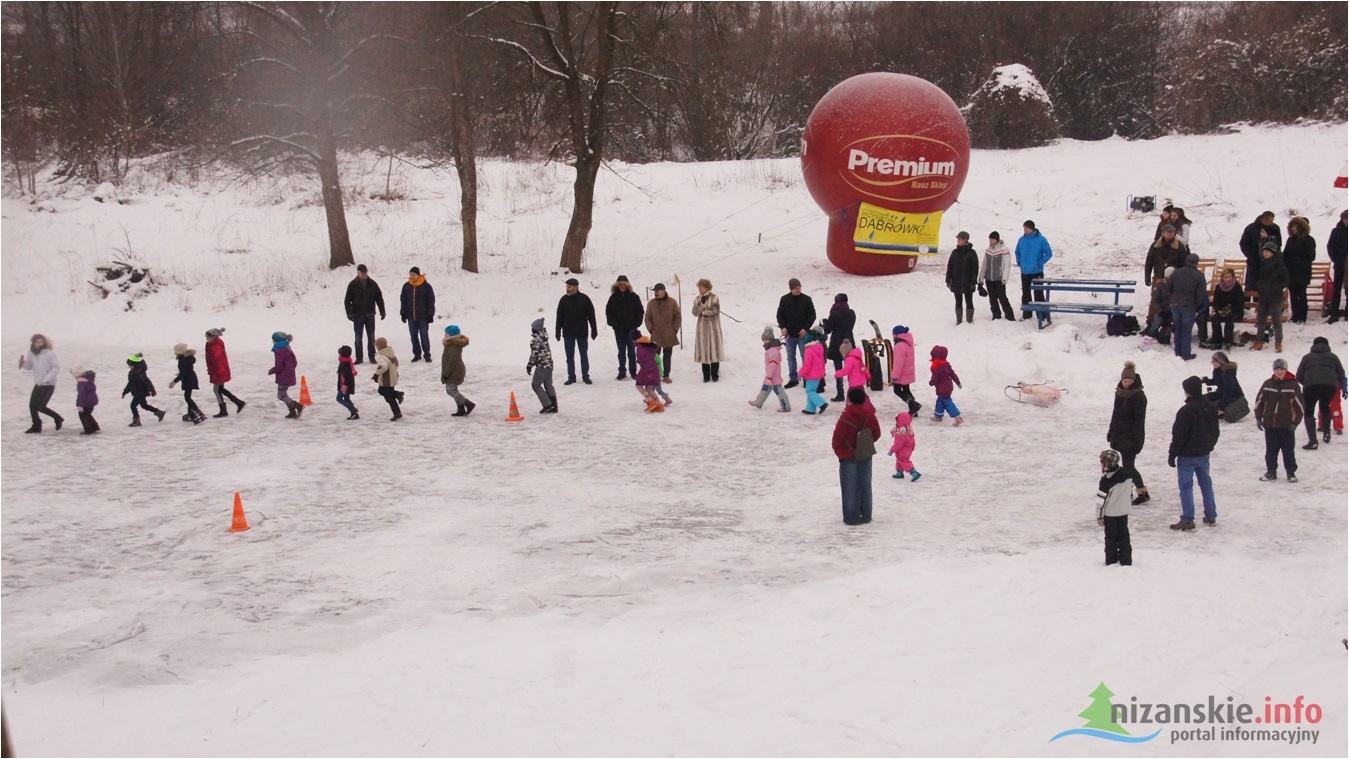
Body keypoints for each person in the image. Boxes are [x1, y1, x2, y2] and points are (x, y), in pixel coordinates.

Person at [1167, 376, 1220, 529]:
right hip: (1203, 453)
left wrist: (1172, 454)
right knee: (1206, 484)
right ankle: (1211, 515)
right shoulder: (1210, 407)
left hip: (1187, 456)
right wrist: (1209, 445)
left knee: (1186, 487)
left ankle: (1188, 518)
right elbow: (1215, 431)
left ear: (1187, 391)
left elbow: (1178, 436)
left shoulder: (1185, 411)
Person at [832, 387, 881, 526]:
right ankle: (866, 515)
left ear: (849, 400)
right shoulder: (870, 416)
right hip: (865, 454)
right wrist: (864, 443)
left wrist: (841, 452)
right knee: (865, 485)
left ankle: (851, 517)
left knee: (849, 487)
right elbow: (876, 434)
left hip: (848, 457)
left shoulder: (846, 417)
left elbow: (837, 439)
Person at [1254, 358, 1304, 482]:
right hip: (1270, 424)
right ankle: (1271, 471)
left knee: (1288, 450)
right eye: (1277, 369)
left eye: (1281, 369)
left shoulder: (1293, 385)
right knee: (1271, 449)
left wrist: (1295, 422)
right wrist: (1259, 418)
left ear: (1286, 370)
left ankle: (1290, 472)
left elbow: (1300, 406)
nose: (1279, 371)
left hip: (1286, 425)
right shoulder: (1268, 384)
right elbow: (1259, 402)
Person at [1107, 361, 1150, 505]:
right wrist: (1111, 431)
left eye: (1129, 381)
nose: (1126, 384)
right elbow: (1115, 414)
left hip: (1132, 438)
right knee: (1126, 466)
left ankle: (1142, 493)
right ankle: (1128, 492)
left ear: (1134, 380)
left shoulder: (1139, 397)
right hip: (1120, 435)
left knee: (1129, 466)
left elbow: (1139, 421)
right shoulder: (1119, 394)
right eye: (1124, 381)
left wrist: (1133, 438)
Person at [1295, 335, 1346, 449]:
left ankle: (1313, 441)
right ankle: (1326, 433)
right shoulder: (1333, 357)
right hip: (1330, 386)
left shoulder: (1307, 357)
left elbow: (1298, 376)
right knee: (1325, 406)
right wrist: (1342, 387)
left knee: (1308, 412)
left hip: (1310, 386)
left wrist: (1306, 383)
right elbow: (1341, 374)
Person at [1165, 252, 1207, 360]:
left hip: (1174, 304)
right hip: (1189, 305)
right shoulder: (1199, 275)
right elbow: (1202, 293)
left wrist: (1172, 299)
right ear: (1197, 263)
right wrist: (1196, 304)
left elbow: (1168, 287)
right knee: (1186, 330)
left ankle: (1178, 352)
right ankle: (1186, 354)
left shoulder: (1176, 272)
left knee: (1178, 328)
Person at [775, 277, 816, 388]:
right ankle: (793, 378)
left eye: (799, 287)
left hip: (803, 334)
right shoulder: (784, 299)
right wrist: (783, 327)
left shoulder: (806, 299)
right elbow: (780, 315)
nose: (798, 290)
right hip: (790, 335)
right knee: (791, 358)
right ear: (791, 289)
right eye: (796, 288)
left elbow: (812, 315)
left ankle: (806, 378)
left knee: (805, 357)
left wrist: (806, 328)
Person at [556, 277, 597, 385]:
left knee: (583, 355)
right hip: (568, 332)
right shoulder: (563, 300)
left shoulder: (584, 299)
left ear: (576, 287)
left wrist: (594, 329)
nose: (567, 289)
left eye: (569, 287)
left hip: (581, 332)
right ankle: (571, 376)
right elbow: (559, 317)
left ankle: (585, 376)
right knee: (569, 356)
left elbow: (591, 315)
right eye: (567, 287)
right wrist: (558, 331)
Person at [1250, 240, 1290, 352]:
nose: (1265, 253)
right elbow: (1256, 276)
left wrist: (1276, 287)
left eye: (1268, 251)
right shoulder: (1261, 262)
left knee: (1276, 320)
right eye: (1264, 251)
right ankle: (1259, 341)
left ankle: (1278, 342)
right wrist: (1258, 285)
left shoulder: (1279, 263)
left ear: (1273, 253)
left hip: (1275, 297)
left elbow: (1286, 279)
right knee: (1261, 320)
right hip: (1263, 295)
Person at [19, 333, 63, 433]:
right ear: (33, 342)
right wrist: (22, 363)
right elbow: (29, 366)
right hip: (38, 383)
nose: (40, 343)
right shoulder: (31, 353)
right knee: (32, 406)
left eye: (41, 341)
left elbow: (55, 368)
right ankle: (36, 426)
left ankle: (58, 418)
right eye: (38, 342)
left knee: (41, 406)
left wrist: (47, 378)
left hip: (48, 384)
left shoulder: (49, 354)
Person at [1096, 450, 1134, 567]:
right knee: (1124, 536)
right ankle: (1126, 559)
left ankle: (1111, 559)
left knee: (1111, 538)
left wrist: (1099, 516)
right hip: (1123, 512)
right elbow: (1130, 494)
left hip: (1110, 514)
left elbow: (1101, 501)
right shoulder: (1127, 475)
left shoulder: (1106, 481)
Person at [344, 264, 386, 364]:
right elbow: (347, 301)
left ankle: (372, 356)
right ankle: (359, 357)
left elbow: (379, 298)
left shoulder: (372, 284)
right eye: (362, 272)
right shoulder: (353, 285)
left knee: (371, 337)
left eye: (365, 272)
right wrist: (349, 313)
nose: (364, 274)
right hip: (358, 315)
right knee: (358, 338)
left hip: (370, 315)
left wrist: (382, 311)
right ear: (358, 272)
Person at [605, 275, 644, 380]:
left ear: (627, 286)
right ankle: (622, 371)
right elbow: (608, 312)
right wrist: (612, 323)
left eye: (624, 285)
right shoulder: (613, 298)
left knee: (631, 351)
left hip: (631, 329)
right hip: (618, 329)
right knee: (621, 351)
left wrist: (636, 324)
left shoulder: (634, 297)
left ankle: (633, 371)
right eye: (620, 285)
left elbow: (640, 311)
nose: (622, 287)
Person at [1015, 219, 1053, 321]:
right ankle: (1026, 314)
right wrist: (1020, 262)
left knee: (1038, 294)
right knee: (1026, 293)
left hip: (1037, 271)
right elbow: (1017, 252)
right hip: (1025, 271)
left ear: (1032, 228)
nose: (1025, 230)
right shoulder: (1021, 240)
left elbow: (1049, 253)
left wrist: (1040, 263)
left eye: (1027, 228)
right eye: (1024, 228)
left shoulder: (1041, 239)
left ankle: (1042, 315)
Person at [644, 282, 681, 384]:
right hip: (656, 334)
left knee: (667, 356)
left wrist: (674, 329)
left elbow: (678, 316)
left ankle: (666, 375)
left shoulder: (672, 302)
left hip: (669, 333)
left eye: (658, 291)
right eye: (655, 291)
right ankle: (655, 375)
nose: (656, 293)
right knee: (655, 356)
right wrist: (651, 329)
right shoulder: (651, 303)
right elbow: (647, 318)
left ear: (663, 291)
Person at [822, 293, 856, 401]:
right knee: (851, 369)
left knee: (838, 369)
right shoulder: (851, 313)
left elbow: (828, 330)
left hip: (837, 344)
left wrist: (825, 322)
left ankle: (840, 393)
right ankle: (853, 392)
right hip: (849, 342)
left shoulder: (834, 313)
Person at [204, 328, 245, 418]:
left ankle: (224, 410)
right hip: (217, 371)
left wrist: (217, 372)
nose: (206, 339)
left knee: (216, 390)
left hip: (219, 372)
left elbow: (219, 362)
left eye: (208, 337)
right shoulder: (213, 343)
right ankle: (238, 402)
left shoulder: (215, 347)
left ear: (213, 337)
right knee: (220, 389)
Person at [1283, 216, 1316, 324]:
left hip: (1302, 272)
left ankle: (1302, 316)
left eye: (1295, 226)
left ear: (1301, 227)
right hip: (1291, 272)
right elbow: (1286, 254)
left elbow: (1310, 257)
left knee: (1301, 294)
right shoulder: (1290, 240)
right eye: (1291, 226)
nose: (1293, 228)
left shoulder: (1309, 240)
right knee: (1292, 294)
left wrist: (1298, 263)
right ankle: (1295, 315)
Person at [749, 326, 791, 412]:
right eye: (763, 340)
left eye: (766, 339)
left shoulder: (772, 350)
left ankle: (785, 406)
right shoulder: (770, 349)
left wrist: (769, 376)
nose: (764, 342)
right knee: (765, 388)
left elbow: (773, 364)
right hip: (770, 374)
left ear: (770, 339)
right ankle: (759, 402)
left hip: (773, 375)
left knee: (778, 389)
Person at [691, 278, 724, 382]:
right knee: (704, 350)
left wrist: (704, 313)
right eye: (699, 288)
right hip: (702, 329)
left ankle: (715, 375)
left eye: (701, 287)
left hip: (713, 327)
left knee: (714, 349)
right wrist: (701, 305)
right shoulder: (697, 299)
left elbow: (715, 311)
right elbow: (695, 313)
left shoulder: (714, 298)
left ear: (707, 287)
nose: (699, 289)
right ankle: (705, 376)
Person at [1202, 268, 1244, 350]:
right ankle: (1217, 340)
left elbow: (1240, 303)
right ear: (1222, 277)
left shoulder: (1237, 287)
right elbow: (1216, 302)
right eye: (1226, 277)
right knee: (1215, 318)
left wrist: (1229, 310)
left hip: (1235, 310)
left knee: (1229, 319)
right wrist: (1218, 310)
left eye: (1229, 277)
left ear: (1233, 277)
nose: (1228, 279)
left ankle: (1228, 340)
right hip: (1222, 310)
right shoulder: (1219, 287)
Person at [399, 267, 435, 362]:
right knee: (413, 336)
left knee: (424, 335)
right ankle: (417, 354)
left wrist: (430, 314)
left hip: (423, 316)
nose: (412, 276)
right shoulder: (406, 286)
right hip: (411, 316)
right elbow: (403, 300)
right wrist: (403, 313)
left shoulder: (426, 286)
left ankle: (427, 354)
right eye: (410, 274)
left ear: (418, 275)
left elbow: (431, 301)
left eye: (413, 274)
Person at [1239, 211, 1281, 291]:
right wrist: (1251, 256)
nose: (1272, 223)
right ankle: (1248, 302)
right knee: (1250, 285)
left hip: (1269, 263)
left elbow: (1278, 244)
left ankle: (1263, 302)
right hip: (1254, 262)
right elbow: (1243, 244)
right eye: (1270, 221)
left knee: (1266, 286)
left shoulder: (1275, 228)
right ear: (1264, 219)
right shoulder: (1251, 228)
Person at [978, 231, 1016, 320]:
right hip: (989, 278)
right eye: (989, 239)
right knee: (992, 298)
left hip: (999, 278)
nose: (990, 241)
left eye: (992, 239)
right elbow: (984, 265)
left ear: (997, 239)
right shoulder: (988, 250)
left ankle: (1009, 316)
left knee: (1002, 297)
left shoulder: (1004, 249)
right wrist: (981, 278)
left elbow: (1007, 265)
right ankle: (996, 315)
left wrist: (1004, 278)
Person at [1202, 351, 1247, 422]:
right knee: (1204, 399)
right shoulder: (1219, 370)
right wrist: (1207, 381)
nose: (1212, 363)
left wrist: (1219, 405)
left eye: (1214, 361)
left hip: (1233, 398)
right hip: (1222, 393)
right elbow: (1218, 381)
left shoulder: (1227, 374)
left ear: (1219, 362)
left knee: (1210, 407)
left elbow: (1228, 393)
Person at [440, 325, 475, 417]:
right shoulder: (452, 343)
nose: (445, 335)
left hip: (454, 371)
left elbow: (452, 361)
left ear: (451, 335)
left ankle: (468, 404)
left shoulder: (453, 345)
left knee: (450, 390)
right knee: (453, 389)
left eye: (446, 334)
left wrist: (446, 374)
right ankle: (461, 409)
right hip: (455, 369)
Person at [123, 353, 166, 426]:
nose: (129, 366)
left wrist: (152, 390)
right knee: (144, 405)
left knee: (133, 405)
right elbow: (130, 383)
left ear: (134, 365)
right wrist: (125, 391)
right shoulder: (133, 372)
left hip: (140, 391)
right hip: (137, 391)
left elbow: (146, 381)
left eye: (130, 365)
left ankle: (136, 420)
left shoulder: (138, 372)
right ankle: (159, 412)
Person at [267, 331, 303, 419]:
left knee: (281, 395)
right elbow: (294, 362)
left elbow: (279, 366)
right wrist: (290, 370)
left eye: (273, 340)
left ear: (277, 341)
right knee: (283, 393)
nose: (272, 342)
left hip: (284, 376)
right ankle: (292, 412)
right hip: (289, 374)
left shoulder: (279, 350)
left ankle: (296, 405)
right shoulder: (287, 348)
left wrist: (271, 371)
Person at [947, 231, 980, 324]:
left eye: (960, 239)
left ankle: (969, 320)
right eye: (958, 239)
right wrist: (948, 279)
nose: (958, 241)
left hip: (968, 282)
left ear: (965, 240)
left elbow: (975, 269)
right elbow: (950, 266)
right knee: (958, 301)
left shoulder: (972, 253)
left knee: (969, 300)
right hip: (956, 281)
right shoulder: (954, 252)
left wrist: (973, 282)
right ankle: (959, 321)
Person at [168, 343, 206, 424]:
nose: (175, 353)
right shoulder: (187, 358)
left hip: (188, 379)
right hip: (190, 378)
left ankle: (198, 413)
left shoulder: (183, 360)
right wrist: (180, 373)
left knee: (187, 397)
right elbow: (186, 370)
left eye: (176, 352)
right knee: (187, 396)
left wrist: (174, 382)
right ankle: (191, 413)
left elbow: (184, 373)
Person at [527, 317, 557, 414]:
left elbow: (534, 354)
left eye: (532, 327)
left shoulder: (536, 340)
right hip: (550, 365)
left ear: (536, 329)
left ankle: (547, 405)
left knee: (535, 385)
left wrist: (529, 365)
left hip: (542, 366)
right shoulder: (544, 337)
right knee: (548, 385)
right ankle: (554, 405)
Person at [929, 345, 963, 425]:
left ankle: (957, 417)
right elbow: (953, 374)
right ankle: (938, 416)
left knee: (947, 402)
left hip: (942, 388)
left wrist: (931, 382)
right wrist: (958, 382)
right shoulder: (946, 364)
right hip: (948, 386)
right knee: (940, 400)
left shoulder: (936, 366)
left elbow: (935, 377)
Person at [890, 325, 921, 415]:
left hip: (902, 373)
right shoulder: (908, 343)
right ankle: (913, 409)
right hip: (908, 371)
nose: (892, 335)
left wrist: (895, 376)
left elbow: (898, 363)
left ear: (897, 334)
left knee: (897, 390)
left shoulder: (899, 345)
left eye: (893, 334)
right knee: (906, 390)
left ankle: (914, 405)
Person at [372, 336, 404, 421]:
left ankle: (397, 413)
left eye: (377, 346)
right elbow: (396, 363)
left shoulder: (382, 356)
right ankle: (397, 394)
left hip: (387, 379)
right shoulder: (390, 352)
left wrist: (376, 374)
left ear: (379, 346)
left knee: (389, 397)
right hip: (392, 376)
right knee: (382, 391)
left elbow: (383, 366)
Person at [633, 331, 665, 413]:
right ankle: (658, 403)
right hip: (654, 368)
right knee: (649, 387)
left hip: (647, 369)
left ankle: (650, 400)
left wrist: (639, 361)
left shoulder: (640, 348)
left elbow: (643, 360)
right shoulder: (647, 344)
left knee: (638, 385)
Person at [799, 327, 828, 415]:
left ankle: (822, 403)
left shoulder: (808, 351)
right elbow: (823, 361)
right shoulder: (819, 349)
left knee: (810, 391)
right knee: (812, 391)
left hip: (812, 375)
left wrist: (801, 373)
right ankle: (810, 408)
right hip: (818, 374)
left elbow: (807, 365)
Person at [888, 410, 920, 481]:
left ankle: (914, 472)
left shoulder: (901, 432)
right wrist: (913, 446)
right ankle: (899, 473)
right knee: (899, 460)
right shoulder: (908, 429)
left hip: (903, 450)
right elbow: (913, 438)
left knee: (904, 461)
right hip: (908, 449)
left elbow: (898, 444)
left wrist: (891, 450)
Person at [1327, 210, 1347, 324]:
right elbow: (1330, 246)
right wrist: (1335, 258)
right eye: (1345, 218)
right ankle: (1334, 313)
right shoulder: (1336, 231)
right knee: (1336, 289)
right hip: (1339, 263)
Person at [71, 365, 99, 435]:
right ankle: (95, 426)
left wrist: (80, 405)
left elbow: (82, 395)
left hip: (86, 401)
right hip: (92, 400)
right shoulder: (89, 380)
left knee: (82, 415)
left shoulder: (82, 384)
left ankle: (88, 429)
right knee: (87, 414)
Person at [336, 345, 359, 420]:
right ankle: (354, 413)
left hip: (345, 385)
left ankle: (352, 409)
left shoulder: (344, 364)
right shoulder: (347, 361)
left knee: (339, 398)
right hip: (346, 384)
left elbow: (347, 376)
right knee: (346, 398)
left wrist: (344, 386)